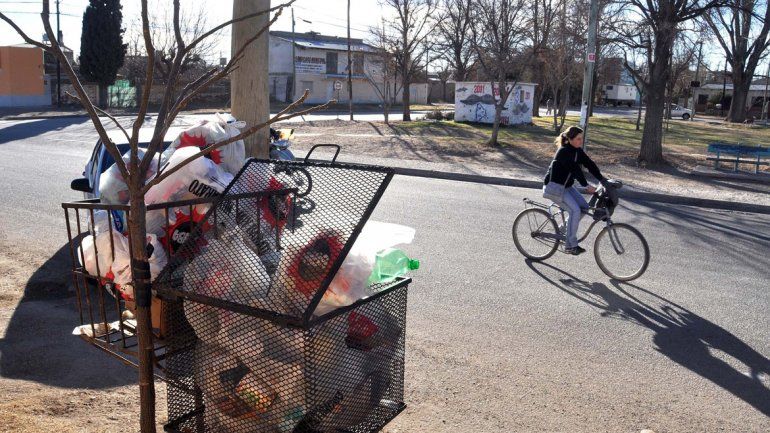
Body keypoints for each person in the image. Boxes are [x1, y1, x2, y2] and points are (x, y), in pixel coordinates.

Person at [543, 126, 605, 255]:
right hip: (554, 188)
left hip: (567, 187)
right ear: (570, 139)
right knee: (575, 210)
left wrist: (602, 180)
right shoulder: (564, 151)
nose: (581, 141)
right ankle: (570, 245)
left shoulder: (577, 151)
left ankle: (562, 229)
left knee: (584, 207)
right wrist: (586, 185)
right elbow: (575, 169)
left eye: (582, 138)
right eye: (578, 139)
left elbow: (590, 164)